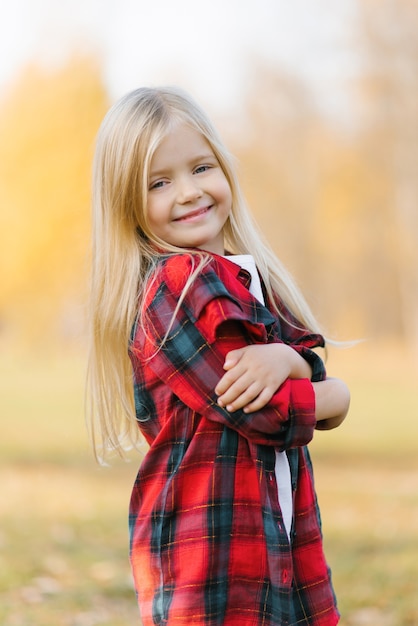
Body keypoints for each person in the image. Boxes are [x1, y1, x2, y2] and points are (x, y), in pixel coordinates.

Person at [87, 86, 350, 626]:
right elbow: (270, 412)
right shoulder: (178, 286)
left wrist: (291, 361)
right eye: (158, 183)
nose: (187, 193)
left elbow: (304, 354)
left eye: (201, 168)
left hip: (273, 530)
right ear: (126, 202)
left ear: (225, 169)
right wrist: (337, 393)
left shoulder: (243, 277)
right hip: (212, 552)